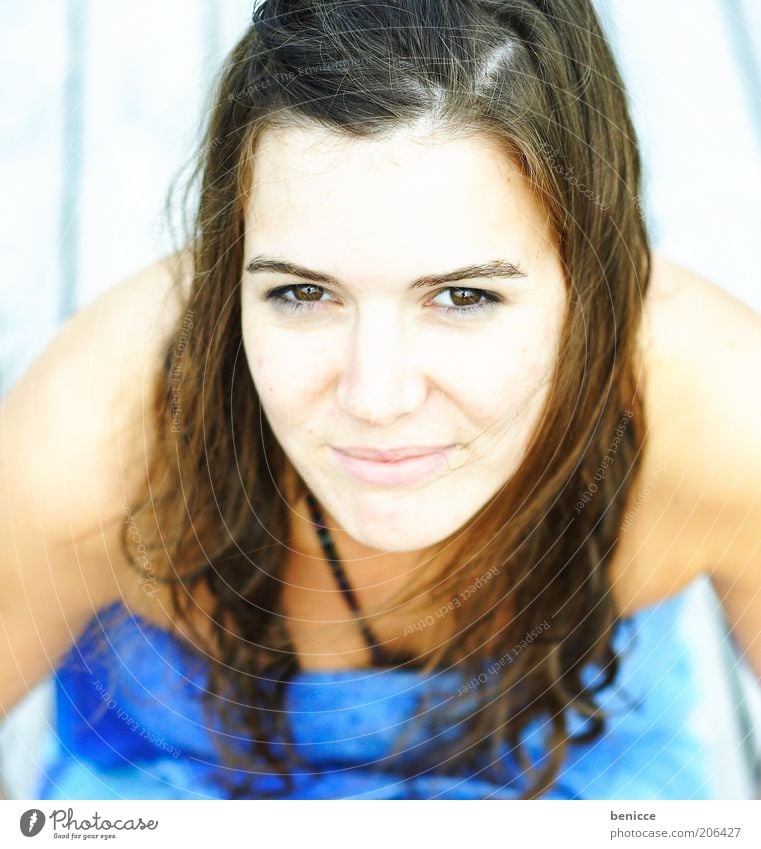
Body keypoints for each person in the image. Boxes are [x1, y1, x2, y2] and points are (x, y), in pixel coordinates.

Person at [1, 0, 759, 801]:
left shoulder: (717, 414)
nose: (375, 397)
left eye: (464, 297)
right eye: (301, 292)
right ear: (232, 272)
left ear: (591, 281)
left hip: (574, 756)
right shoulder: (103, 436)